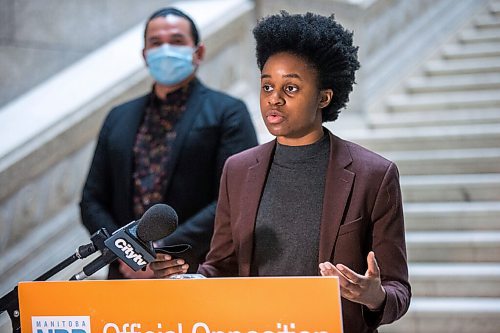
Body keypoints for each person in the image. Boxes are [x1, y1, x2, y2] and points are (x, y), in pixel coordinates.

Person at [150, 11, 410, 332]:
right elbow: (221, 266)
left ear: (323, 98)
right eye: (267, 86)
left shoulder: (375, 174)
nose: (274, 98)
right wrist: (192, 279)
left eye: (290, 88)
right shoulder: (238, 169)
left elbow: (398, 291)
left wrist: (375, 296)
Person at [79, 7, 258, 279]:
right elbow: (91, 199)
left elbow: (236, 197)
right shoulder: (119, 117)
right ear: (145, 55)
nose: (165, 49)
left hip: (195, 270)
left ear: (198, 53)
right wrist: (124, 253)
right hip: (124, 275)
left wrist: (162, 253)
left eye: (176, 41)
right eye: (155, 43)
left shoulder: (228, 112)